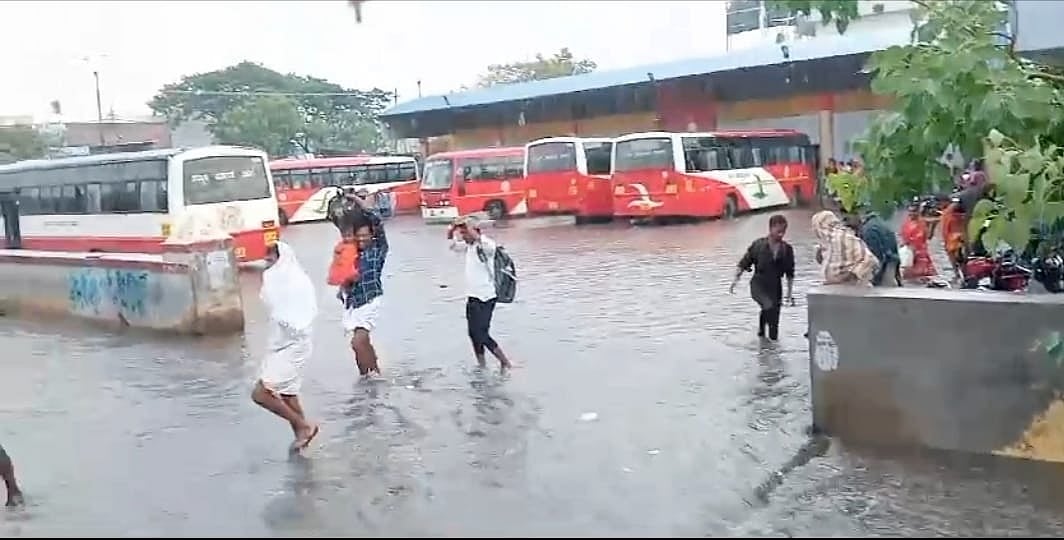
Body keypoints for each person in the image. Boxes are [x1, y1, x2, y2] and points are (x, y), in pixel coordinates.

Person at [251, 242, 319, 452]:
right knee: (288, 394)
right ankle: (301, 434)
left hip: (294, 346)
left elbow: (299, 316)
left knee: (261, 393)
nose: (269, 265)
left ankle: (302, 426)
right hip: (281, 345)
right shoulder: (279, 281)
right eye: (268, 260)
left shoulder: (296, 282)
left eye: (273, 260)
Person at [447, 216, 513, 369]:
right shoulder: (468, 247)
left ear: (475, 232)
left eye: (465, 233)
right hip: (472, 296)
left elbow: (485, 244)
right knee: (473, 334)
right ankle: (482, 365)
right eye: (462, 234)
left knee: (482, 333)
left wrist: (468, 226)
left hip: (486, 297)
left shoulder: (486, 245)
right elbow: (452, 246)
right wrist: (451, 230)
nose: (463, 237)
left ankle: (505, 362)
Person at [339, 194, 389, 377]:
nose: (361, 240)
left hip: (371, 299)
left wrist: (362, 204)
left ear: (371, 235)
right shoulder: (352, 252)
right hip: (353, 303)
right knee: (361, 345)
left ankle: (372, 377)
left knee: (357, 342)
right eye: (357, 237)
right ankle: (370, 375)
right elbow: (342, 225)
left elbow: (379, 224)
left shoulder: (378, 249)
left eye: (364, 236)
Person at [730, 214, 796, 341]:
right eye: (779, 231)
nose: (781, 234)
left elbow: (790, 273)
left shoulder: (787, 249)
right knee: (768, 306)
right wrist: (735, 281)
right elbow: (743, 263)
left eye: (784, 232)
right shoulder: (758, 245)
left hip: (776, 287)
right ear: (771, 228)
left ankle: (769, 348)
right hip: (758, 284)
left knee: (774, 323)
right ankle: (761, 330)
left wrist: (789, 293)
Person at [812, 210, 880, 286]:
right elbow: (837, 261)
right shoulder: (828, 240)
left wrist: (850, 276)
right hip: (835, 288)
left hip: (852, 288)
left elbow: (870, 260)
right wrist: (820, 256)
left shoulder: (843, 237)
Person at [848, 210, 901, 287]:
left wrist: (874, 277)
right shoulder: (881, 223)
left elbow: (875, 255)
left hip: (884, 267)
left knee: (880, 295)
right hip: (891, 264)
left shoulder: (868, 230)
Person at [899, 199, 937, 281]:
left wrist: (933, 226)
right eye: (910, 211)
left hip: (920, 255)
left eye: (913, 211)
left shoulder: (921, 224)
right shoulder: (907, 223)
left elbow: (927, 237)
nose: (911, 213)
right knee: (908, 277)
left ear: (918, 212)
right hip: (909, 253)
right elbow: (903, 238)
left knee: (920, 277)